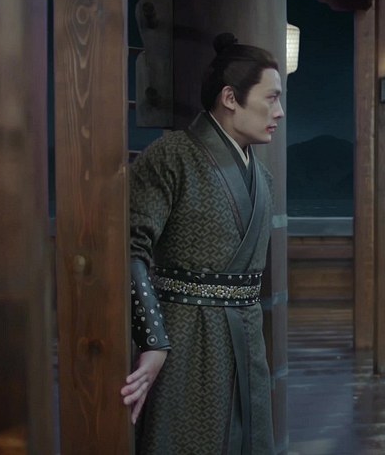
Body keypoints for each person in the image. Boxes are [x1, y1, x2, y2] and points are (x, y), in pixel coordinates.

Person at [119, 33, 283, 454]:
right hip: (186, 338)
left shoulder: (262, 177)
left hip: (246, 337)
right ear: (230, 98)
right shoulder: (171, 156)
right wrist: (153, 339)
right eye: (270, 98)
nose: (279, 112)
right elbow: (127, 249)